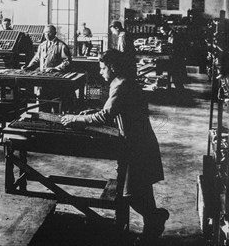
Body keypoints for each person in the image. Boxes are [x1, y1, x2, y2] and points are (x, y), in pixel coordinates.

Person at [61, 49, 168, 245]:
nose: (101, 72)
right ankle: (153, 223)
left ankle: (154, 220)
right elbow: (114, 110)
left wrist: (76, 119)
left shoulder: (121, 84)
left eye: (103, 68)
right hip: (140, 141)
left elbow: (105, 116)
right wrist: (92, 111)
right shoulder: (123, 81)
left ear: (113, 67)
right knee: (140, 188)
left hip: (137, 144)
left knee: (134, 193)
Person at [23, 25, 73, 112]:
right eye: (45, 32)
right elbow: (36, 59)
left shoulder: (61, 45)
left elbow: (67, 61)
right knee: (43, 105)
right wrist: (28, 67)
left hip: (55, 81)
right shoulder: (42, 45)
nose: (47, 34)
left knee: (56, 105)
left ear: (55, 33)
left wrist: (56, 68)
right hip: (43, 80)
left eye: (49, 32)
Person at [159, 24, 187, 91]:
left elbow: (174, 46)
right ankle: (178, 88)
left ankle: (180, 91)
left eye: (162, 31)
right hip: (176, 56)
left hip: (177, 57)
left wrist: (165, 46)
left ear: (165, 30)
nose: (162, 33)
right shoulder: (172, 34)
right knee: (175, 74)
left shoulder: (173, 35)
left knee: (176, 74)